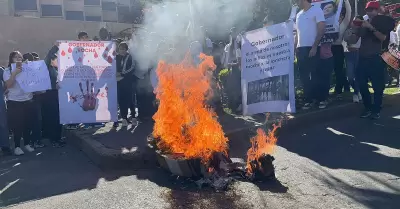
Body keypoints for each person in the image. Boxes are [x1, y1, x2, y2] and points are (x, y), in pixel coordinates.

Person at [350, 1, 388, 119]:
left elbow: (382, 37)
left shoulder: (382, 21)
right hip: (362, 57)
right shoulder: (362, 21)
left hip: (376, 57)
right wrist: (353, 29)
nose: (369, 12)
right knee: (361, 83)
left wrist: (371, 27)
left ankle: (376, 110)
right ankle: (368, 107)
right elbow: (354, 39)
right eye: (367, 10)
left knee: (377, 86)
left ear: (377, 11)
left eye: (372, 9)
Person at [3, 51, 35, 155]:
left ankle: (27, 143)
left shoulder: (27, 69)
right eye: (15, 57)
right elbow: (8, 85)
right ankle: (17, 146)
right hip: (15, 101)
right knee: (18, 124)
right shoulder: (7, 70)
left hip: (28, 99)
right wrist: (14, 73)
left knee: (28, 123)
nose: (18, 59)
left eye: (20, 57)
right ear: (11, 59)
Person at [295, 0, 326, 109]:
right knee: (304, 76)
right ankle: (308, 100)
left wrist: (314, 46)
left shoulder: (317, 10)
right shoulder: (298, 14)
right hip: (301, 49)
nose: (296, 2)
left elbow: (321, 29)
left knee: (315, 74)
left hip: (313, 47)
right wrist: (296, 47)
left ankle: (321, 99)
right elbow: (297, 33)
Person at [42, 53, 65, 147]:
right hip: (50, 95)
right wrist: (55, 47)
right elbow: (47, 57)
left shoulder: (56, 69)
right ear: (51, 61)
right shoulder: (47, 68)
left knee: (59, 117)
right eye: (57, 59)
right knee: (53, 118)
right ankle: (53, 139)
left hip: (57, 94)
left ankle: (58, 138)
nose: (59, 61)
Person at [114, 42, 137, 127]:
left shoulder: (130, 57)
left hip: (128, 81)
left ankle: (134, 117)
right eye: (120, 49)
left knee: (130, 99)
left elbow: (132, 67)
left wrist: (122, 74)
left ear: (126, 49)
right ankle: (124, 118)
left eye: (124, 49)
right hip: (119, 82)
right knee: (121, 100)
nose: (122, 51)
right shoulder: (115, 57)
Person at [0, 66, 11, 155]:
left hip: (0, 102)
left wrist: (5, 91)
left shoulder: (0, 70)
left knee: (2, 124)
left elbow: (8, 84)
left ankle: (5, 146)